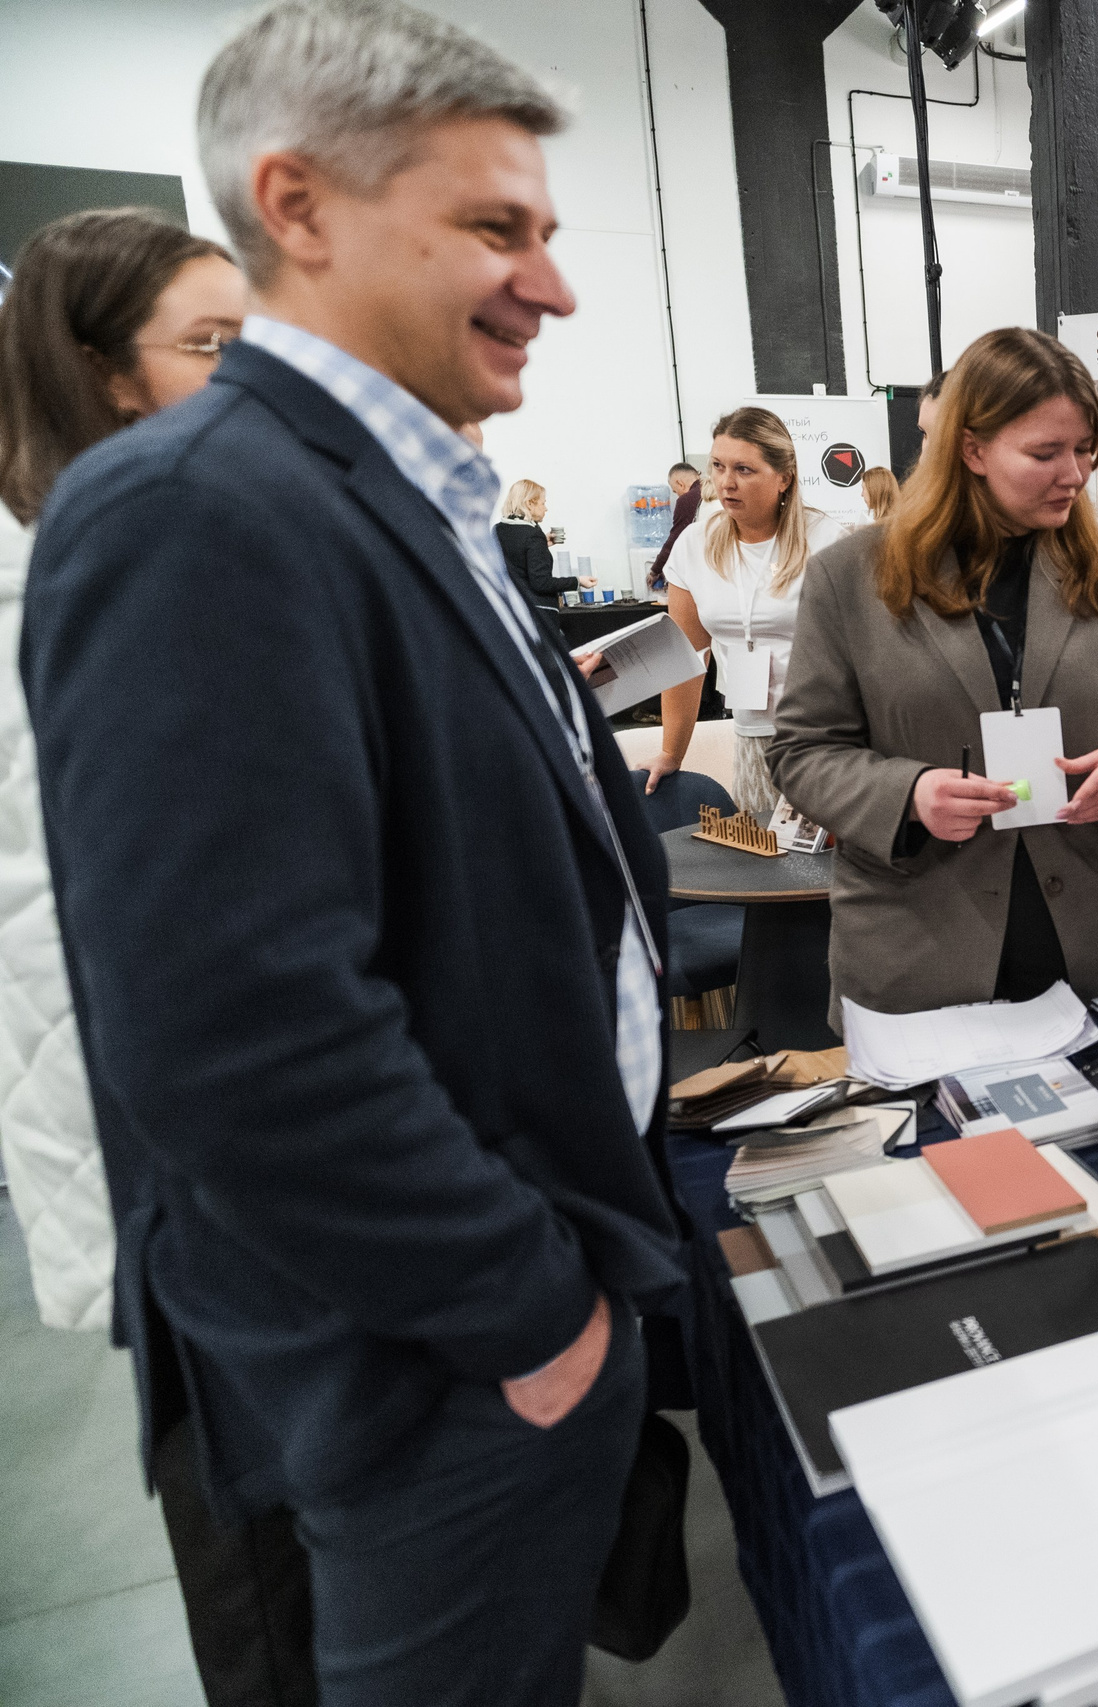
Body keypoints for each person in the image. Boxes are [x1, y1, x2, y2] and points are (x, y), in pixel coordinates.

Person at [22, 7, 686, 1704]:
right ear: (298, 208)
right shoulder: (196, 507)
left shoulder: (408, 498)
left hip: (510, 1311)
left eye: (545, 229)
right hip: (441, 1359)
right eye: (494, 228)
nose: (553, 282)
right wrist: (532, 1316)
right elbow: (239, 1033)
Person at [0, 208, 312, 1707]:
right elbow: (83, 915)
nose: (248, 379)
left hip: (236, 1122)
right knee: (252, 1533)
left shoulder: (166, 536)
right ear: (94, 372)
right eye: (211, 346)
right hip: (163, 1138)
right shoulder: (58, 574)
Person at [767, 327, 1098, 1013]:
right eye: (1045, 453)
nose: (1074, 473)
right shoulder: (852, 577)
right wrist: (909, 794)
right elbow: (801, 751)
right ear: (972, 449)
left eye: (1084, 449)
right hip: (918, 957)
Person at [648, 405, 846, 817]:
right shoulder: (695, 544)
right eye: (717, 466)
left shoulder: (827, 542)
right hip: (751, 737)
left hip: (827, 741)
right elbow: (685, 658)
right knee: (763, 868)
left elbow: (866, 657)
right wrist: (671, 752)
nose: (725, 482)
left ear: (784, 478)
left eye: (744, 469)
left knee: (827, 874)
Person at [494, 476, 591, 609]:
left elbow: (516, 558)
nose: (546, 509)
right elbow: (541, 582)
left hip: (510, 608)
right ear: (529, 504)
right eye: (543, 503)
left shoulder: (498, 530)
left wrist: (541, 545)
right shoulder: (533, 535)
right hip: (538, 610)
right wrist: (577, 581)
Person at [645, 458, 699, 592]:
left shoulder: (687, 500)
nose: (678, 495)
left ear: (680, 484)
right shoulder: (716, 490)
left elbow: (675, 540)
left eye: (675, 491)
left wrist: (654, 570)